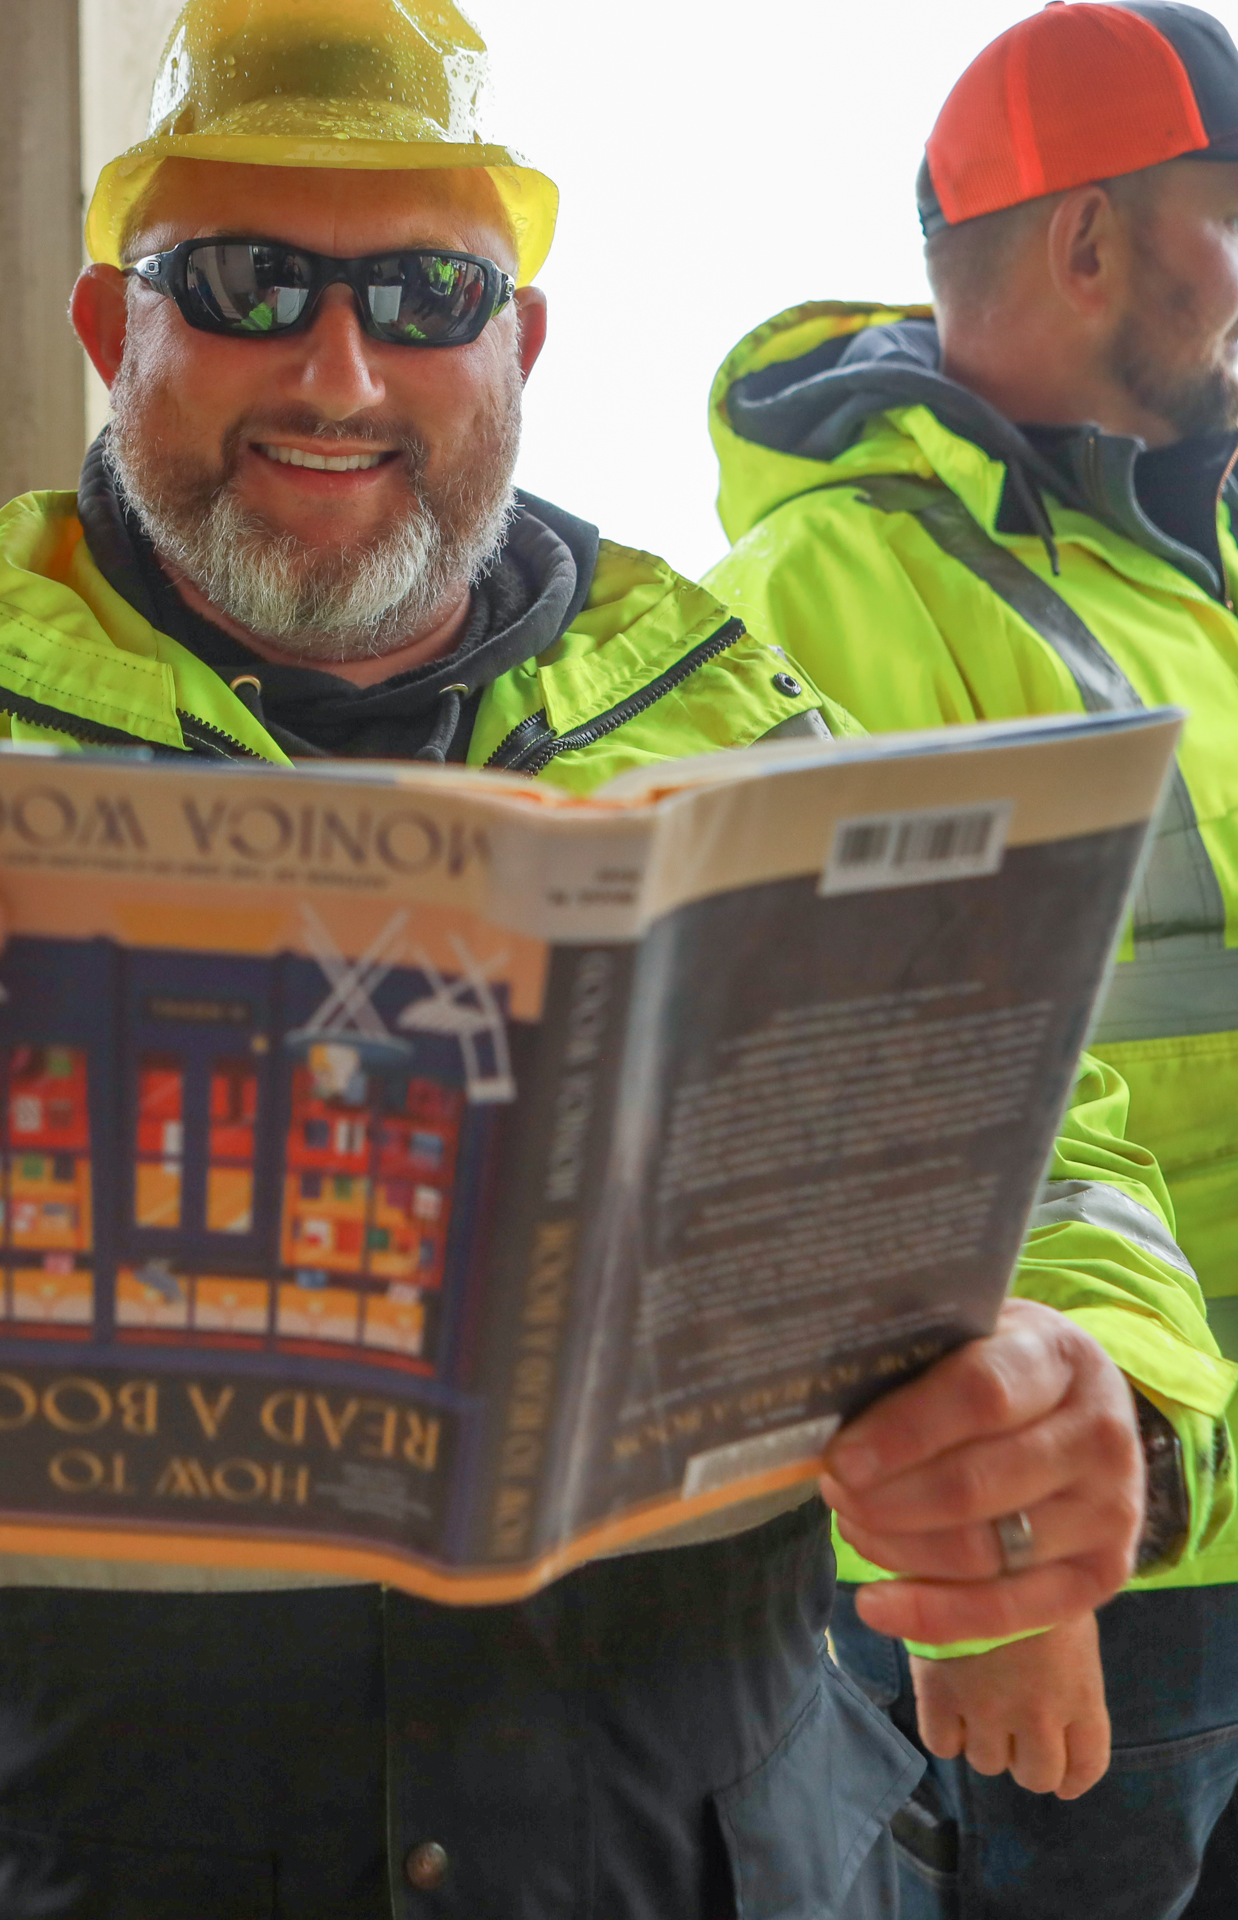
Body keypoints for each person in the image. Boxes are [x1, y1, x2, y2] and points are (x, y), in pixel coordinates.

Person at [0, 2, 1200, 1913]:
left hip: (708, 1851)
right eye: (249, 281)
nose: (342, 368)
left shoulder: (761, 744)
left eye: (430, 291)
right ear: (119, 335)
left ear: (520, 349)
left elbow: (1056, 1165)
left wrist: (1094, 1379)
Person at [704, 4, 1238, 1916]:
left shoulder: (1191, 572)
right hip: (1096, 1584)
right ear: (1091, 239)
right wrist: (1003, 1564)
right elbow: (849, 1112)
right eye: (1228, 223)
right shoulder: (839, 585)